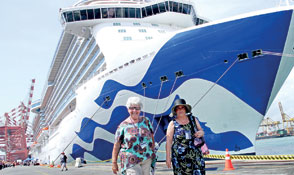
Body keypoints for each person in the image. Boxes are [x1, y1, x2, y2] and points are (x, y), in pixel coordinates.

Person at [112, 96, 156, 175]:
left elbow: (152, 137)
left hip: (146, 158)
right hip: (131, 160)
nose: (134, 110)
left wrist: (152, 152)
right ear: (128, 109)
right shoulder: (123, 126)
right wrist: (114, 162)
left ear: (140, 109)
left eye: (137, 108)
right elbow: (117, 144)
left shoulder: (146, 121)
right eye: (131, 108)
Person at [166, 99, 206, 175]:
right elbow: (168, 141)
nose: (180, 110)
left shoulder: (193, 119)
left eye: (182, 108)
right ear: (175, 111)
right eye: (178, 108)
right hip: (179, 158)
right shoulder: (172, 123)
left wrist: (201, 133)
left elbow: (201, 130)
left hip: (195, 155)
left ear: (185, 109)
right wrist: (168, 157)